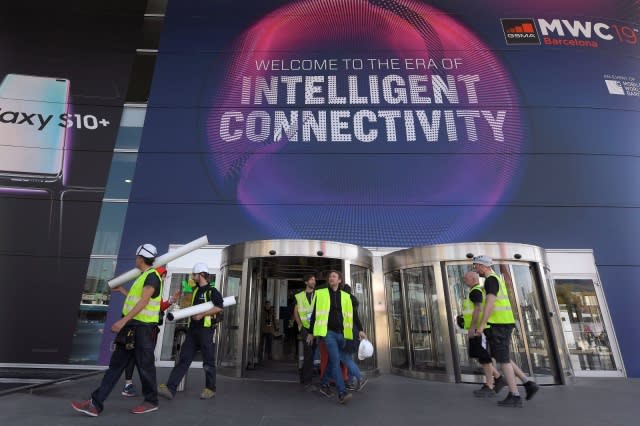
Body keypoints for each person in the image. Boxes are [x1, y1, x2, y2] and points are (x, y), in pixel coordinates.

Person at [71, 243, 163, 416]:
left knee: (145, 367)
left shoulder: (152, 277)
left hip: (142, 329)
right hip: (131, 328)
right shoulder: (143, 276)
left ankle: (151, 400)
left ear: (141, 258)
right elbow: (137, 299)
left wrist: (122, 321)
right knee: (116, 366)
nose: (136, 259)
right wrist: (122, 290)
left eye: (137, 257)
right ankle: (95, 403)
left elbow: (143, 302)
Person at [472, 255, 540, 407]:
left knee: (503, 360)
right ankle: (528, 383)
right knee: (502, 356)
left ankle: (515, 395)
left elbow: (490, 303)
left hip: (499, 325)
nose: (475, 269)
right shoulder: (493, 280)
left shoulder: (491, 280)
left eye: (476, 265)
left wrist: (482, 324)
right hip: (501, 324)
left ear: (483, 266)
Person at [158, 262, 223, 400]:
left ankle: (210, 389)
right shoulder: (194, 290)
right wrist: (183, 291)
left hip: (205, 331)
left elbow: (219, 307)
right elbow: (187, 299)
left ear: (202, 275)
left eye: (195, 274)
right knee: (184, 359)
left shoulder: (212, 291)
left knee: (208, 361)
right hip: (193, 330)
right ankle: (170, 388)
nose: (193, 276)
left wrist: (202, 315)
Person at [307, 270, 367, 404]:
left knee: (336, 360)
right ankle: (342, 392)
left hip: (342, 333)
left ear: (339, 280)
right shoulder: (321, 294)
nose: (331, 278)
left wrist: (360, 330)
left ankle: (323, 384)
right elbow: (315, 314)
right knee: (335, 361)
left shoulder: (346, 296)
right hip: (328, 333)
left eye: (334, 276)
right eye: (329, 277)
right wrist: (311, 332)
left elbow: (354, 315)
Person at [120, 266, 181, 397]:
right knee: (140, 358)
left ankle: (133, 385)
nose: (164, 279)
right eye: (163, 275)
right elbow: (143, 303)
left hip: (143, 328)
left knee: (136, 357)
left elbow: (156, 306)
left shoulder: (150, 285)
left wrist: (170, 301)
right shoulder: (152, 282)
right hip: (142, 328)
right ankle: (142, 390)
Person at [460, 271, 506, 397]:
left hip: (479, 330)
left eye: (466, 278)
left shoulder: (476, 291)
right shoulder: (475, 291)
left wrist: (473, 327)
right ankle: (497, 378)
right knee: (482, 357)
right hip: (478, 329)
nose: (465, 280)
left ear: (474, 278)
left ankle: (490, 385)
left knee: (485, 358)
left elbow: (478, 309)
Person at [341, 284, 367, 392]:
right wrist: (360, 330)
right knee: (348, 357)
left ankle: (360, 377)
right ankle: (350, 382)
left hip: (347, 331)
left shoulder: (344, 300)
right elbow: (356, 317)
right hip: (354, 331)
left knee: (344, 357)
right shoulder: (353, 301)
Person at [293, 273, 317, 390]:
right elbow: (295, 312)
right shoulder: (300, 296)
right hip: (305, 329)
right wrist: (300, 326)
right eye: (311, 280)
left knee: (311, 353)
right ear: (306, 282)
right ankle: (308, 381)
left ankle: (302, 376)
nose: (313, 281)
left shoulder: (318, 295)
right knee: (309, 354)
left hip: (316, 328)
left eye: (314, 280)